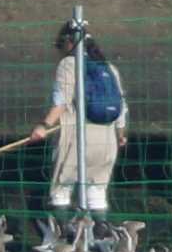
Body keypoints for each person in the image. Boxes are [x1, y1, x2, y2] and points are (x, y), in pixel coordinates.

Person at [27, 22, 127, 214]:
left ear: (69, 42)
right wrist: (121, 134)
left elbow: (61, 102)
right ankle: (101, 239)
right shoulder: (109, 67)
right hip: (107, 141)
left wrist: (43, 126)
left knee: (61, 191)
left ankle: (64, 241)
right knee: (97, 192)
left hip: (76, 138)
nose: (60, 50)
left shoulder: (69, 64)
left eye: (60, 45)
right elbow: (122, 107)